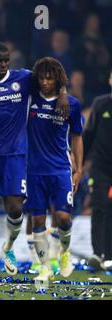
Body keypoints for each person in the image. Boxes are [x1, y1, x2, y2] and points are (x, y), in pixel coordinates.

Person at [0, 42, 68, 280]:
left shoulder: (23, 79)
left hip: (17, 154)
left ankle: (8, 248)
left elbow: (51, 74)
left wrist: (62, 94)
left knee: (15, 208)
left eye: (6, 60)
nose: (2, 64)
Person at [24, 57, 83, 282]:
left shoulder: (72, 105)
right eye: (42, 77)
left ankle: (64, 252)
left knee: (63, 217)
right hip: (33, 171)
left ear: (57, 79)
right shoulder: (28, 99)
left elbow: (77, 137)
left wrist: (77, 170)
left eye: (50, 78)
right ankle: (44, 267)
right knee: (37, 220)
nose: (46, 82)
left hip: (60, 169)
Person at [84, 69, 112, 271]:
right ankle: (97, 253)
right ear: (110, 80)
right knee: (99, 207)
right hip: (100, 168)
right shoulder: (100, 104)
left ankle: (110, 255)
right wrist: (79, 164)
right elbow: (88, 135)